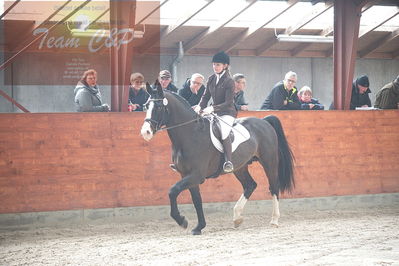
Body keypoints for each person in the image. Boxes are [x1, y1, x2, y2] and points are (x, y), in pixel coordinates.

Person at [195, 51, 236, 173]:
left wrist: (212, 108)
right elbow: (205, 97)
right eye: (214, 64)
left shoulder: (229, 81)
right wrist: (199, 107)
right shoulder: (211, 79)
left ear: (225, 66)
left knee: (223, 132)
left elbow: (229, 102)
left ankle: (228, 161)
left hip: (227, 112)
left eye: (218, 64)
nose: (215, 67)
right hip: (214, 111)